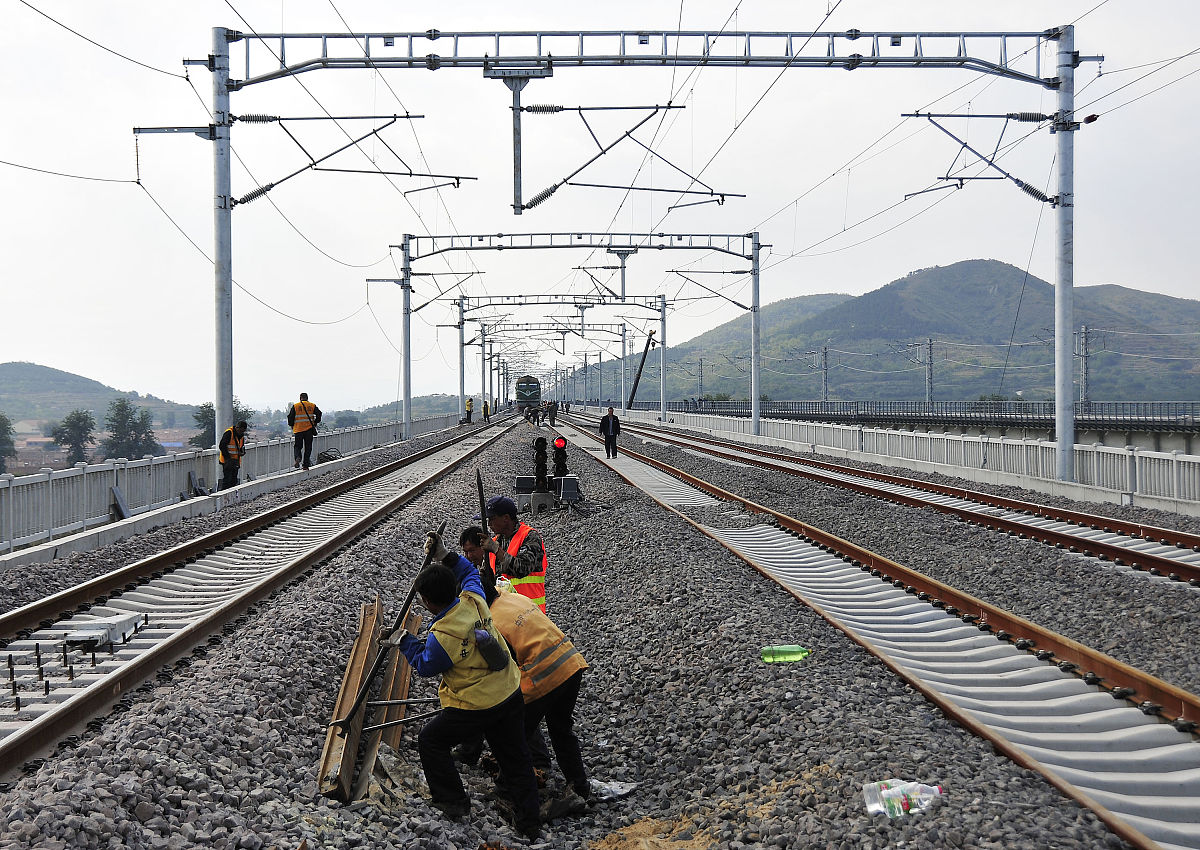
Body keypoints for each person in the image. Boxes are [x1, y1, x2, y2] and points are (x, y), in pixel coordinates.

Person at [393, 532, 541, 839]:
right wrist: (444, 555)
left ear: (429, 603)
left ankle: (453, 801)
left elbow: (425, 664)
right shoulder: (473, 598)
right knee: (516, 757)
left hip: (477, 705)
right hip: (509, 690)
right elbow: (468, 572)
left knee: (431, 741)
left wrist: (404, 641)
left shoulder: (443, 635)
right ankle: (529, 823)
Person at [461, 527, 591, 802]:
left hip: (546, 676)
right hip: (571, 664)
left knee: (513, 733)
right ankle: (580, 788)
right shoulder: (512, 597)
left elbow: (503, 669)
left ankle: (512, 791)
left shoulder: (492, 624)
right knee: (561, 730)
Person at [480, 496, 547, 613]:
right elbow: (486, 578)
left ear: (506, 518)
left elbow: (522, 568)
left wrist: (496, 550)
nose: (489, 524)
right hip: (505, 613)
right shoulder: (495, 542)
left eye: (492, 519)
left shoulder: (529, 536)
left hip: (530, 612)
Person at [287, 392, 322, 470]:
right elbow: (319, 413)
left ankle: (298, 458)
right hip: (309, 430)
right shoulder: (312, 405)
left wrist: (292, 425)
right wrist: (315, 422)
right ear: (307, 398)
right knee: (308, 447)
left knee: (297, 446)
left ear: (300, 398)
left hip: (298, 430)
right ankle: (305, 465)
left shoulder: (295, 406)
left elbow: (290, 417)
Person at [218, 420, 248, 490]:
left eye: (243, 431)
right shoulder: (229, 433)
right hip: (227, 461)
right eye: (240, 430)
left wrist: (242, 452)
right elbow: (222, 446)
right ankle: (225, 494)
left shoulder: (241, 436)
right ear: (237, 428)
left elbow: (241, 447)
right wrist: (228, 458)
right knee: (227, 480)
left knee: (234, 480)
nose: (241, 432)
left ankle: (232, 495)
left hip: (235, 461)